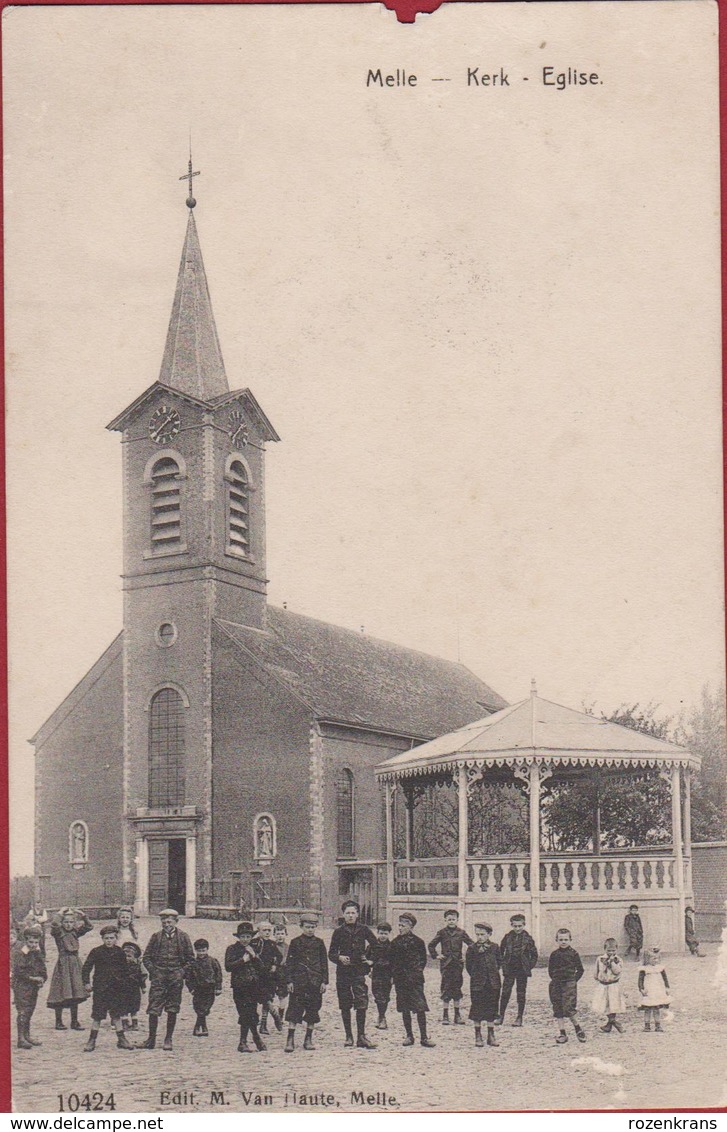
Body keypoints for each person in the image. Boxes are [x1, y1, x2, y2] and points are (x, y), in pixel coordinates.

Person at [141, 908, 195, 1051]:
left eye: (170, 921)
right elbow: (146, 957)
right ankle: (151, 1039)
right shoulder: (156, 937)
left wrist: (181, 972)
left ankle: (168, 1038)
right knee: (153, 1008)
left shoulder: (183, 937)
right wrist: (154, 971)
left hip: (175, 977)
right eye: (164, 922)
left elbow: (191, 959)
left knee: (172, 1007)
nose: (167, 924)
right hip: (159, 976)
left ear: (176, 922)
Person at [328, 899, 377, 1048]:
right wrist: (339, 958)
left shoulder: (364, 929)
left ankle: (361, 1036)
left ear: (357, 914)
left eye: (353, 913)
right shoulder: (338, 932)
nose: (350, 915)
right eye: (347, 913)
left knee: (361, 1002)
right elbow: (331, 953)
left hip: (358, 971)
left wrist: (370, 960)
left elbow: (376, 946)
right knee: (345, 1003)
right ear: (343, 914)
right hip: (343, 973)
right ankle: (348, 1035)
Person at [81, 925, 135, 1052]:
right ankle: (92, 1040)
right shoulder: (96, 951)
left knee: (116, 1014)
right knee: (97, 1015)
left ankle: (121, 1039)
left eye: (111, 938)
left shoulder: (120, 952)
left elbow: (125, 971)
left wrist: (125, 986)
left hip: (116, 988)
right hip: (101, 988)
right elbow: (86, 968)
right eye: (106, 938)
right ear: (102, 939)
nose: (109, 941)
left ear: (116, 938)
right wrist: (86, 983)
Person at [284, 913, 329, 1052]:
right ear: (301, 927)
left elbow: (324, 963)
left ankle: (308, 1038)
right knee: (294, 1009)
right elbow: (290, 963)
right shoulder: (295, 942)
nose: (310, 930)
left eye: (313, 927)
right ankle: (290, 1039)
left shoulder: (319, 943)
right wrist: (289, 981)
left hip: (315, 982)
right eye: (307, 927)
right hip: (299, 982)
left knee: (313, 1010)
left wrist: (324, 981)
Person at [390, 912, 435, 1049]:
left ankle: (424, 1037)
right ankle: (409, 1035)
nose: (400, 928)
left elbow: (423, 960)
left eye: (403, 925)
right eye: (399, 925)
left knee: (420, 1008)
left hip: (415, 981)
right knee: (405, 1008)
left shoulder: (418, 942)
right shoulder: (395, 942)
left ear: (410, 926)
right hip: (401, 980)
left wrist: (415, 973)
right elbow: (393, 962)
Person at [47, 907, 93, 1031]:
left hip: (75, 964)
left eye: (71, 922)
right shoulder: (58, 933)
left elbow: (89, 927)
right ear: (62, 922)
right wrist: (59, 913)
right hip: (63, 964)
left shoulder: (75, 932)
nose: (68, 925)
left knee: (76, 992)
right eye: (66, 922)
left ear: (74, 923)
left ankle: (74, 1021)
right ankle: (58, 1021)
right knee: (60, 992)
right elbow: (55, 924)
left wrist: (83, 915)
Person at [427, 909, 473, 1025]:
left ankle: (457, 1015)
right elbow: (431, 945)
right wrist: (436, 955)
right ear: (445, 920)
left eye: (453, 919)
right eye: (449, 919)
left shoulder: (461, 933)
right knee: (446, 988)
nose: (451, 921)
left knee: (457, 988)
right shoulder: (442, 932)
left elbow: (472, 945)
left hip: (457, 964)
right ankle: (445, 1015)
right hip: (446, 965)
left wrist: (466, 957)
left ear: (457, 920)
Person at [225, 921, 266, 1052]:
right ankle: (252, 1039)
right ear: (238, 937)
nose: (245, 939)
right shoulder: (232, 949)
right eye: (242, 937)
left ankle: (248, 1040)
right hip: (239, 986)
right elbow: (228, 967)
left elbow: (262, 968)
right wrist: (243, 960)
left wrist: (254, 956)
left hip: (254, 986)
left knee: (251, 1012)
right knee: (244, 1012)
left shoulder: (254, 949)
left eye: (248, 937)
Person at [496, 913, 538, 1026]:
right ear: (512, 925)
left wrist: (529, 966)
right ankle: (501, 1016)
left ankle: (519, 1017)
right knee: (505, 992)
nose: (517, 928)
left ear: (524, 925)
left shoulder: (528, 939)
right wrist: (503, 964)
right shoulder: (507, 937)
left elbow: (534, 955)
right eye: (515, 926)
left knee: (521, 993)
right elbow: (500, 952)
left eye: (520, 926)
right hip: (509, 968)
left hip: (522, 969)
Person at [465, 922, 501, 1048]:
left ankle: (491, 1035)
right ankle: (478, 1035)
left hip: (493, 983)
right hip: (477, 983)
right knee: (477, 1008)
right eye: (477, 934)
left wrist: (491, 974)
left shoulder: (495, 947)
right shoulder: (472, 948)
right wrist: (477, 976)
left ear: (489, 934)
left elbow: (499, 963)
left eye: (482, 934)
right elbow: (469, 966)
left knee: (492, 1007)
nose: (479, 937)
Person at [548, 927, 586, 1044]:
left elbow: (580, 970)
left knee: (568, 1007)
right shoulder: (554, 954)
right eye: (561, 939)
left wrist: (573, 981)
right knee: (558, 1008)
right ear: (557, 940)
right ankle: (562, 1033)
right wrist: (555, 979)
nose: (563, 942)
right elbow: (550, 970)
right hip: (556, 984)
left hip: (569, 984)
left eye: (566, 939)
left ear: (570, 940)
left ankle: (578, 1028)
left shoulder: (574, 954)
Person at [12, 925, 47, 1050]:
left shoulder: (37, 953)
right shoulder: (20, 953)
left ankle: (27, 1035)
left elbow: (43, 968)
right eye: (30, 942)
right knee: (23, 1010)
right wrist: (33, 978)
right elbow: (20, 972)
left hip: (33, 987)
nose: (33, 944)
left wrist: (42, 978)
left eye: (35, 942)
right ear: (25, 940)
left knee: (30, 1010)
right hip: (22, 986)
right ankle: (21, 1038)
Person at [185, 938, 223, 1036]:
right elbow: (188, 977)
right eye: (199, 951)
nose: (201, 953)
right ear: (195, 950)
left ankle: (198, 1026)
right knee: (198, 1007)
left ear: (207, 950)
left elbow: (218, 974)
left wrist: (218, 987)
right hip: (198, 989)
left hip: (210, 988)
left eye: (203, 950)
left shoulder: (213, 961)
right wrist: (191, 988)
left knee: (206, 1007)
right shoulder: (192, 963)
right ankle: (202, 1027)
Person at [253, 921, 283, 1035]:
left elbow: (278, 956)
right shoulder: (254, 943)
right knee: (265, 998)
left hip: (270, 976)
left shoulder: (272, 944)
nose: (267, 933)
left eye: (269, 930)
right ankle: (275, 1015)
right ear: (259, 931)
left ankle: (263, 1025)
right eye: (264, 930)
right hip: (258, 976)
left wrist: (275, 965)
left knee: (268, 998)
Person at [591, 937, 627, 1033]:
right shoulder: (600, 959)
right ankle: (611, 1023)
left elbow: (617, 971)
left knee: (613, 1003)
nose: (611, 952)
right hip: (603, 985)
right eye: (609, 950)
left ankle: (613, 1022)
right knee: (605, 1004)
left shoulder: (618, 960)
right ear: (605, 949)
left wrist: (611, 963)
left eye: (613, 950)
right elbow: (596, 971)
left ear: (616, 949)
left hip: (613, 985)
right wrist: (597, 976)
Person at [638, 946, 671, 1032]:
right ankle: (647, 1025)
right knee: (647, 1008)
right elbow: (640, 980)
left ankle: (658, 1025)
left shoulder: (660, 968)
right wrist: (641, 989)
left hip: (657, 989)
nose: (656, 961)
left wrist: (667, 987)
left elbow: (665, 978)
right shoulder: (644, 969)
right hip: (649, 990)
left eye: (657, 958)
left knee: (656, 1008)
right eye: (653, 958)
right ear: (647, 959)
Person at [370, 922, 393, 1030]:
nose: (383, 936)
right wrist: (368, 970)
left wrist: (393, 976)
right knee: (378, 995)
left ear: (389, 934)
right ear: (377, 933)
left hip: (387, 975)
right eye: (381, 933)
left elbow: (395, 963)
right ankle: (381, 1016)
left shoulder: (392, 947)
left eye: (385, 933)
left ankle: (382, 1016)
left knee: (385, 996)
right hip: (376, 975)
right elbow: (366, 958)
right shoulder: (373, 946)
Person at [120, 941, 147, 1031]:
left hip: (134, 989)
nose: (127, 958)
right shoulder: (120, 965)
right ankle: (124, 1023)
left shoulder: (138, 965)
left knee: (134, 1006)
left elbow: (142, 976)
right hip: (123, 989)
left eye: (129, 956)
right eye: (125, 956)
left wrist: (143, 987)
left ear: (134, 956)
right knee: (123, 1006)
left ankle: (135, 1023)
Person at [273, 922, 290, 1021]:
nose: (280, 936)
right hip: (273, 974)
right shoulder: (271, 946)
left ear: (286, 935)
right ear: (274, 935)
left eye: (282, 934)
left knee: (283, 996)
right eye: (278, 934)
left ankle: (280, 1017)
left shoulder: (288, 948)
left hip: (283, 974)